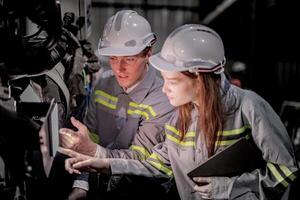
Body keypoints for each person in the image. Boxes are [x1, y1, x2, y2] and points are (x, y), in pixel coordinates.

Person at [63, 24, 299, 200]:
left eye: (172, 81)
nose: (164, 88)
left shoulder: (249, 107)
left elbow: (286, 170)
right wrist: (102, 162)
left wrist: (230, 188)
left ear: (199, 78)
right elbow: (156, 164)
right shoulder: (181, 117)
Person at [59, 10, 175, 200]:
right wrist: (81, 184)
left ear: (148, 53)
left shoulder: (163, 99)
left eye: (129, 59)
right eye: (113, 58)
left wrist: (93, 151)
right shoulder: (103, 86)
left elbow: (140, 160)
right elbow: (91, 137)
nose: (119, 68)